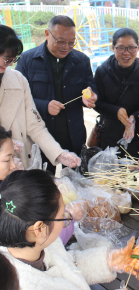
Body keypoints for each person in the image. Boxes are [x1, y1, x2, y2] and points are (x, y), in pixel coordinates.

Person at [0, 170, 139, 290]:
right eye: (63, 216)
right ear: (39, 229)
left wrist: (109, 260)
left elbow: (66, 266)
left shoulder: (34, 245)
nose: (67, 218)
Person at [16, 16, 96, 173]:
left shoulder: (81, 60)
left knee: (77, 184)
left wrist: (92, 97)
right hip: (40, 138)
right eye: (60, 41)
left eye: (71, 42)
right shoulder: (27, 59)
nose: (66, 47)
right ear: (47, 33)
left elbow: (91, 87)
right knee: (43, 185)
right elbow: (19, 99)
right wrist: (44, 106)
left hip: (73, 135)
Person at [0, 25, 80, 170]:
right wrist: (3, 141)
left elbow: (34, 125)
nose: (11, 64)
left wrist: (58, 153)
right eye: (7, 59)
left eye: (14, 58)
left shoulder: (18, 80)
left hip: (19, 163)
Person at [94, 28, 139, 158]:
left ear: (138, 47)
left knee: (136, 174)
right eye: (121, 48)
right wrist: (115, 111)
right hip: (108, 135)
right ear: (113, 48)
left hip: (138, 136)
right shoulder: (102, 71)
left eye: (131, 48)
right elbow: (96, 102)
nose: (126, 53)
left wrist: (135, 116)